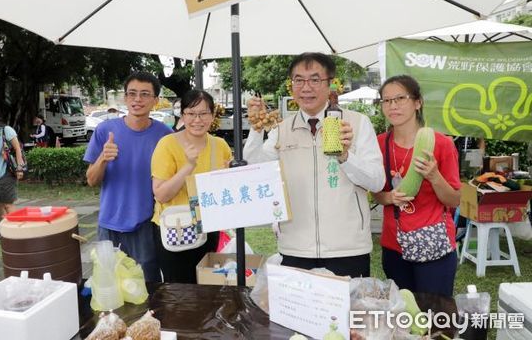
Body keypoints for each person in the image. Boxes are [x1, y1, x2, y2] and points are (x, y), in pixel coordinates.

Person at [243, 52, 385, 278]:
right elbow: (253, 167)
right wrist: (256, 128)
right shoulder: (282, 129)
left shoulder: (357, 123)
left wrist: (346, 156)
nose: (306, 87)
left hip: (347, 247)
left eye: (315, 79)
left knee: (347, 312)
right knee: (298, 313)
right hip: (295, 246)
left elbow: (377, 181)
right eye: (298, 80)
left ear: (330, 84)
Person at [373, 75, 460, 297]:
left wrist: (434, 176)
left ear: (418, 102)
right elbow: (375, 193)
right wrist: (389, 198)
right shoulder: (378, 143)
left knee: (436, 319)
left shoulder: (441, 144)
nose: (393, 106)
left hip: (434, 246)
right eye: (386, 100)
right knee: (405, 315)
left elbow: (455, 200)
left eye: (400, 98)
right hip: (394, 246)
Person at [84, 72, 172, 283]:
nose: (137, 99)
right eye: (132, 93)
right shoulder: (105, 130)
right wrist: (103, 159)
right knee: (110, 285)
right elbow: (91, 180)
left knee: (147, 286)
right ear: (125, 98)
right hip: (109, 224)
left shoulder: (165, 135)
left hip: (146, 225)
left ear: (155, 100)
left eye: (144, 94)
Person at [151, 90, 232, 283]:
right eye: (191, 113)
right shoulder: (167, 144)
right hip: (175, 228)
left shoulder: (220, 145)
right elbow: (161, 194)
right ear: (182, 115)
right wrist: (188, 166)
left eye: (204, 113)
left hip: (207, 228)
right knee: (180, 292)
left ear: (212, 115)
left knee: (207, 285)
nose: (198, 119)